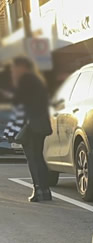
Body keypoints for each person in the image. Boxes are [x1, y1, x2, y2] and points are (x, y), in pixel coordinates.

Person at [3, 57, 52, 202]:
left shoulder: (25, 81)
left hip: (30, 125)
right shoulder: (37, 81)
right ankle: (45, 190)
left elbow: (20, 103)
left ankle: (38, 190)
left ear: (22, 67)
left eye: (14, 68)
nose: (13, 71)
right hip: (41, 124)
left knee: (33, 159)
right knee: (38, 158)